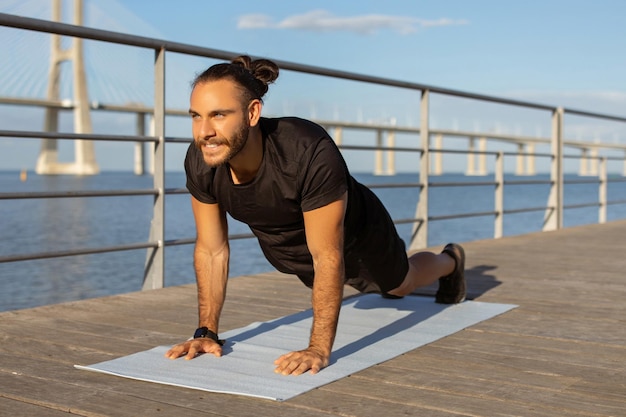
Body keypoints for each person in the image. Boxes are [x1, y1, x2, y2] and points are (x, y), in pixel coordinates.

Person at [165, 55, 466, 376]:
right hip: (294, 251)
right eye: (196, 117)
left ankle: (451, 261)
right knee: (350, 283)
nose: (204, 131)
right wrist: (206, 332)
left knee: (399, 286)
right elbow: (212, 250)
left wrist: (318, 348)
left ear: (252, 113)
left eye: (218, 115)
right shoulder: (202, 160)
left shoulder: (307, 151)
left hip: (358, 233)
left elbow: (328, 255)